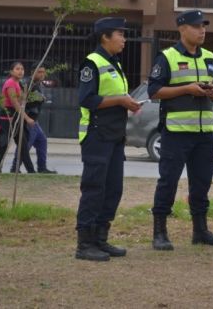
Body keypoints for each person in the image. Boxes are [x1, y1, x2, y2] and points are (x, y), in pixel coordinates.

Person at [148, 9, 213, 250]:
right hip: (176, 133)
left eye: (204, 26)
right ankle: (159, 233)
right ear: (182, 29)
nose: (202, 30)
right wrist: (186, 89)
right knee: (168, 182)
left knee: (201, 183)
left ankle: (200, 231)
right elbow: (153, 92)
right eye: (196, 26)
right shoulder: (167, 57)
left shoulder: (209, 57)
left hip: (204, 135)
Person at [75, 17, 141, 262]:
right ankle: (84, 244)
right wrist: (121, 101)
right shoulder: (92, 63)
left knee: (113, 189)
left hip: (114, 136)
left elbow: (113, 97)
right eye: (120, 34)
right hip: (96, 135)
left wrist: (129, 104)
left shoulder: (114, 63)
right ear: (105, 37)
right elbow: (87, 99)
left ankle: (100, 239)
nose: (124, 39)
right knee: (94, 188)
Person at [10, 65, 57, 174]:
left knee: (42, 141)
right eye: (39, 72)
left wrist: (40, 98)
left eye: (43, 72)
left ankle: (42, 167)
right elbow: (22, 101)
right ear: (33, 73)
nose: (42, 74)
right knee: (25, 145)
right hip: (28, 120)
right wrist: (37, 98)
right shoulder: (28, 84)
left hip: (34, 121)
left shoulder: (37, 84)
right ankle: (14, 167)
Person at [0, 62, 36, 174]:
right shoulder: (10, 83)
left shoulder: (19, 83)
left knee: (23, 145)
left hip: (15, 117)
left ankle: (31, 171)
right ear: (12, 71)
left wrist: (25, 95)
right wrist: (27, 118)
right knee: (4, 145)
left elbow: (22, 102)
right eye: (17, 69)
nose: (20, 71)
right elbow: (15, 104)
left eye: (22, 69)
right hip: (6, 117)